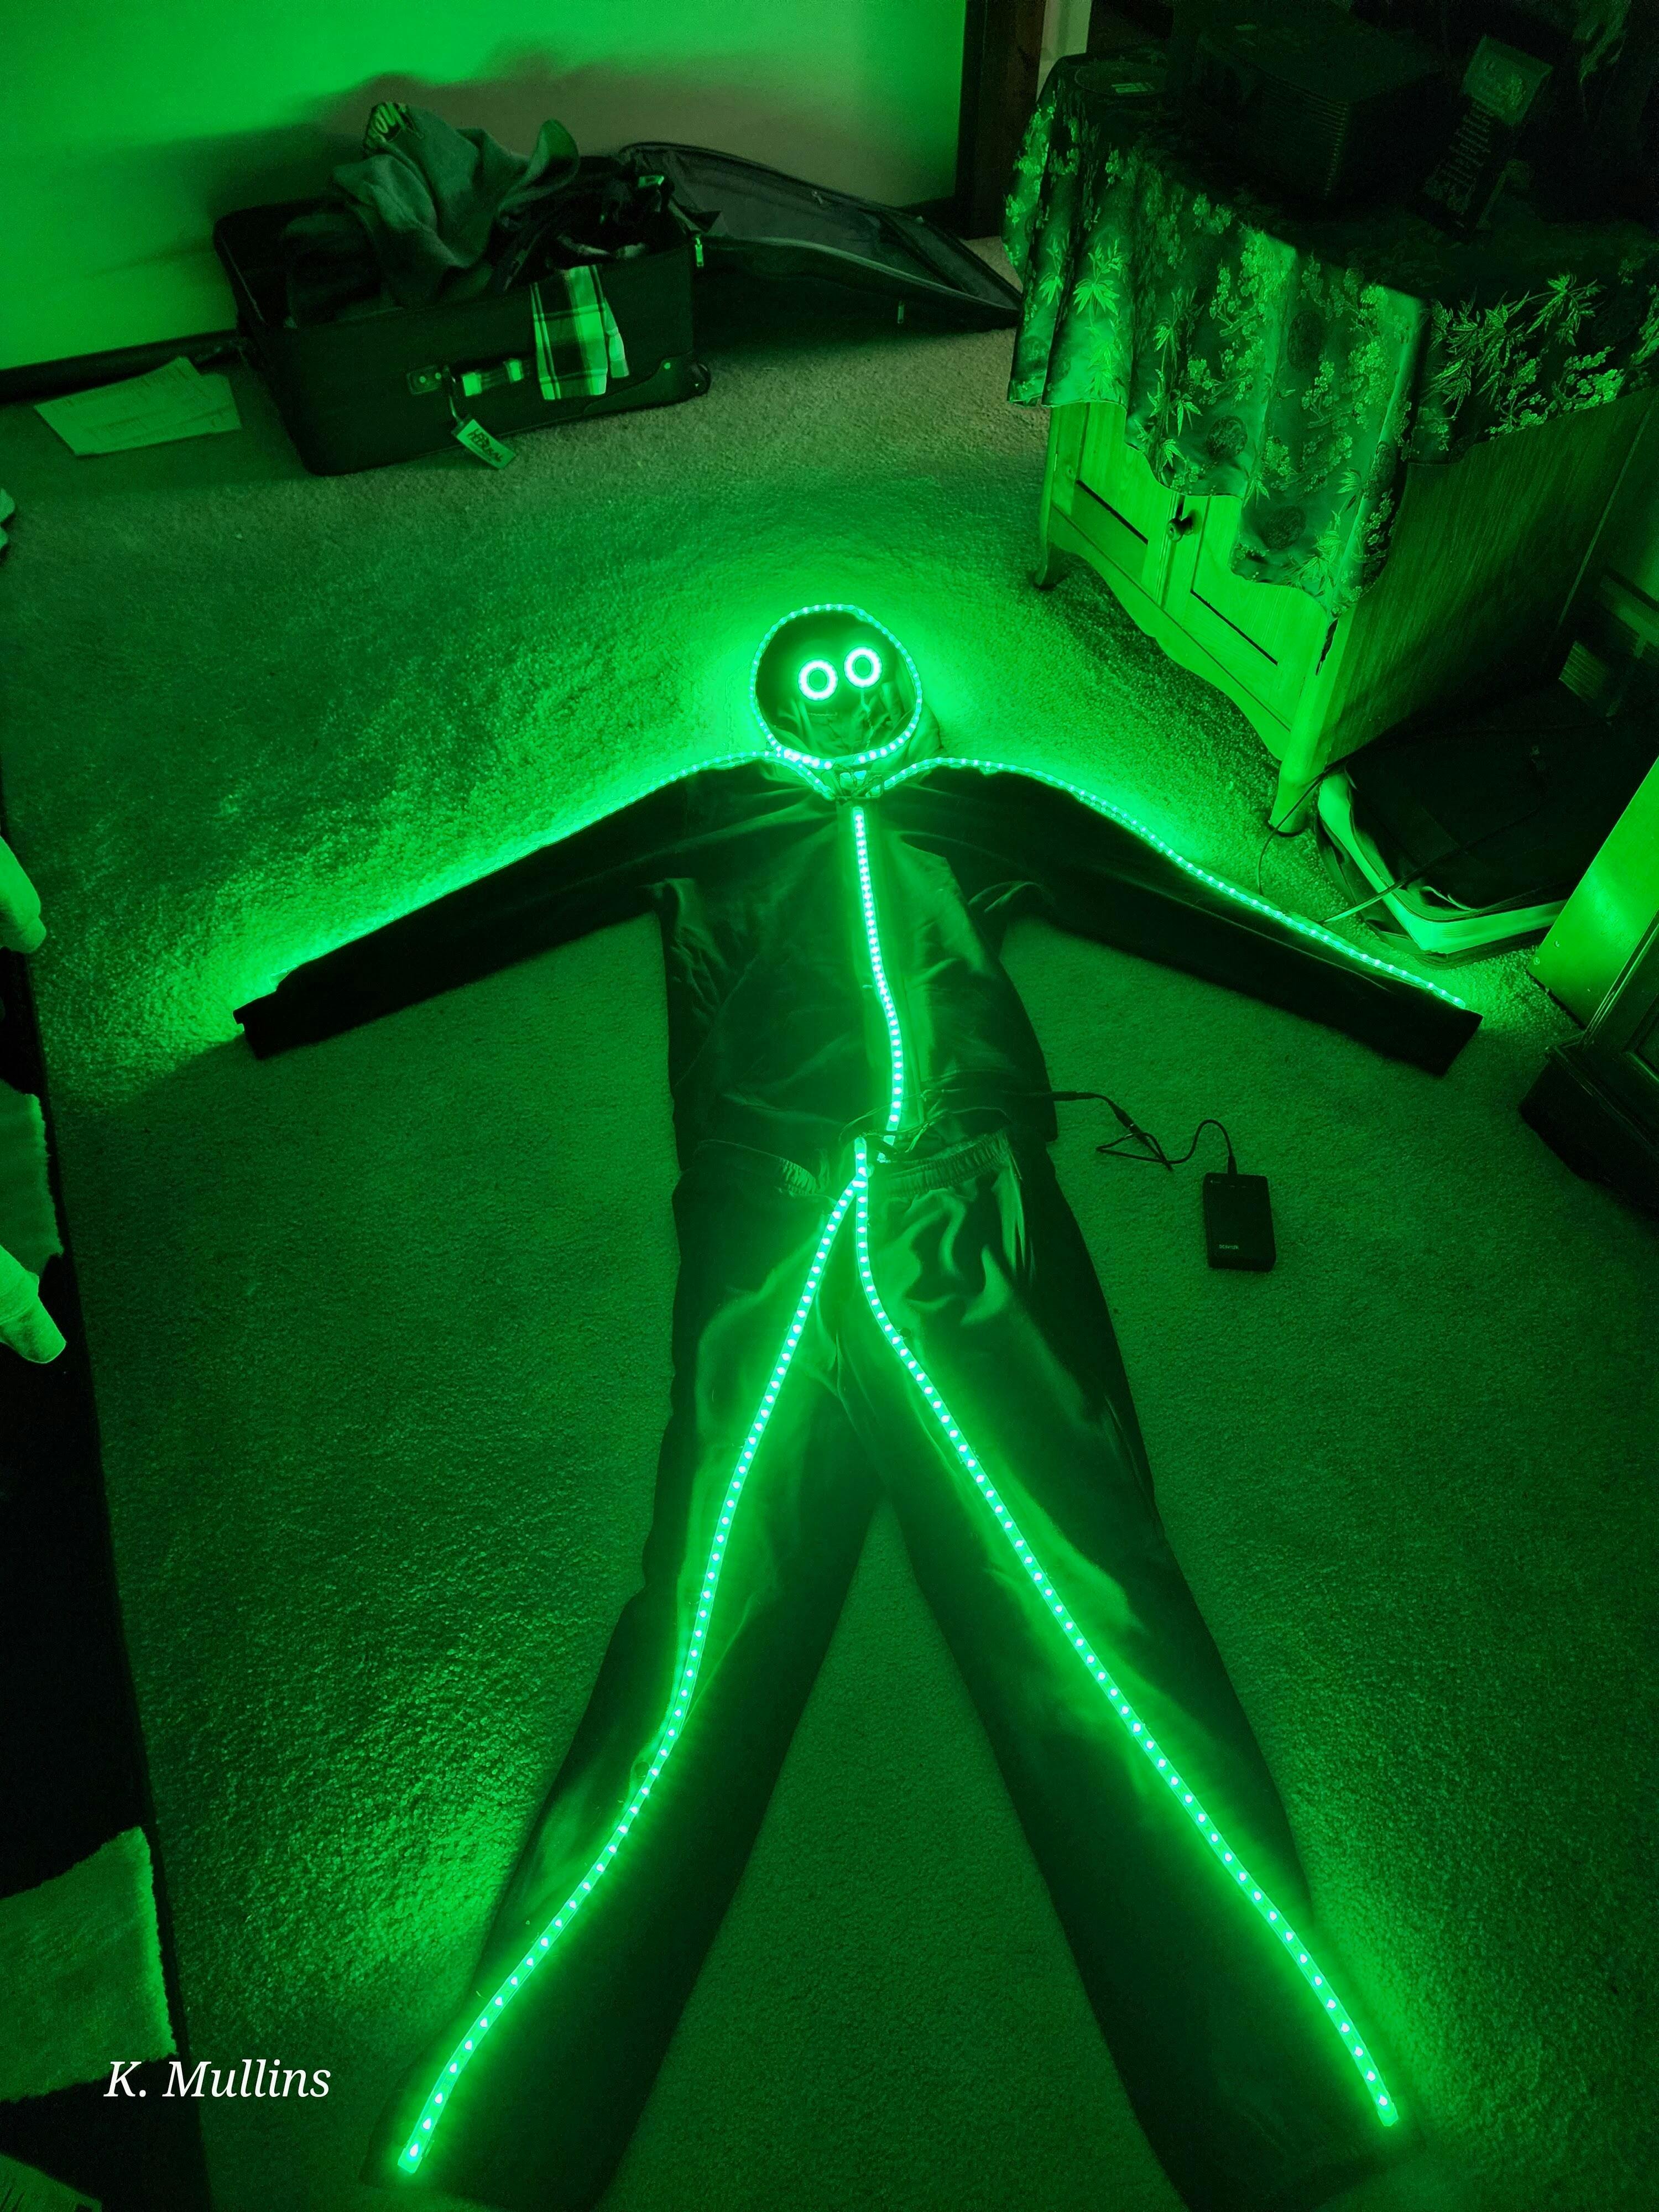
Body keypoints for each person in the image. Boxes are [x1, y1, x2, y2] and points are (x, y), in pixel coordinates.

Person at [236, 608, 1478, 2212]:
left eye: (861, 672)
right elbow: (516, 896)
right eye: (811, 682)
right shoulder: (709, 815)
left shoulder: (983, 804)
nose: (840, 697)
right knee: (707, 1623)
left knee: (1085, 1593)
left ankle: (1292, 2102)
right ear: (775, 706)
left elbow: (1183, 899)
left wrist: (1406, 1008)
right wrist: (303, 999)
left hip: (971, 1199)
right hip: (765, 1207)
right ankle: (498, 2128)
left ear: (904, 684)